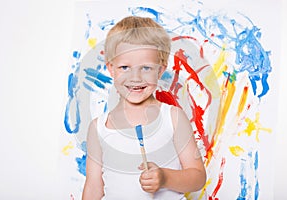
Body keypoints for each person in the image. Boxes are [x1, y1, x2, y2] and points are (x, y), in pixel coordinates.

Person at [82, 16, 206, 200]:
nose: (136, 77)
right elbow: (93, 187)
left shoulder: (173, 117)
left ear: (160, 70)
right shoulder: (98, 128)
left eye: (146, 68)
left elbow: (198, 178)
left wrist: (165, 177)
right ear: (111, 69)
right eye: (125, 67)